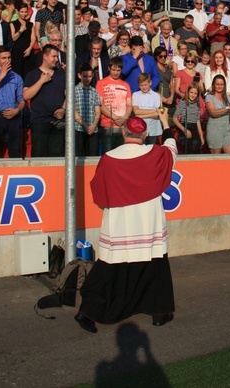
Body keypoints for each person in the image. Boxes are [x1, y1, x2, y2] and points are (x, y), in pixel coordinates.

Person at [75, 111, 177, 333]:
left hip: (120, 221)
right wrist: (165, 122)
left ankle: (88, 312)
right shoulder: (156, 153)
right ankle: (159, 313)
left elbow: (99, 194)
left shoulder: (109, 159)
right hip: (149, 220)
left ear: (123, 132)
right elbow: (172, 147)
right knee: (155, 264)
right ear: (146, 134)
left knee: (110, 267)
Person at [23, 44, 66, 157]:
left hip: (58, 122)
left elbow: (69, 95)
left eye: (57, 57)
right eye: (54, 56)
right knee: (39, 153)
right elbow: (26, 95)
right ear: (45, 56)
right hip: (40, 121)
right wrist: (41, 81)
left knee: (57, 154)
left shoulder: (61, 75)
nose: (56, 59)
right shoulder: (32, 75)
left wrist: (63, 108)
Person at [96, 57, 132, 153]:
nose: (116, 72)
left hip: (122, 126)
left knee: (121, 155)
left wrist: (124, 117)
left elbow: (129, 105)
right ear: (109, 68)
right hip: (108, 125)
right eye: (113, 70)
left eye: (118, 70)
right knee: (108, 154)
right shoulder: (101, 83)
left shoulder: (126, 85)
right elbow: (100, 104)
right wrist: (115, 117)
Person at [204, 74, 230, 154]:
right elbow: (213, 113)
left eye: (221, 84)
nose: (219, 86)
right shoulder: (209, 97)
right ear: (214, 85)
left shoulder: (228, 97)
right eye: (217, 84)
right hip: (215, 130)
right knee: (216, 159)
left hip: (226, 130)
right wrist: (228, 108)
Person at [74, 63, 101, 157]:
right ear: (79, 75)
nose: (87, 79)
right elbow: (73, 111)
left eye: (90, 76)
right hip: (79, 129)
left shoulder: (94, 91)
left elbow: (97, 111)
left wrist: (93, 125)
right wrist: (85, 125)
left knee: (93, 156)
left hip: (93, 130)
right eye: (85, 76)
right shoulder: (74, 90)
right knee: (79, 155)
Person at [132, 73, 163, 145]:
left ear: (150, 83)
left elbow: (158, 113)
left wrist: (140, 116)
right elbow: (136, 111)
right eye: (141, 85)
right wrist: (153, 110)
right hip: (140, 130)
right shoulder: (136, 95)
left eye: (145, 85)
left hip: (153, 129)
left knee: (152, 151)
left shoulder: (156, 96)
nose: (143, 87)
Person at [173, 84, 204, 154]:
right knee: (186, 149)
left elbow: (197, 120)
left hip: (194, 129)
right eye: (191, 92)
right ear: (188, 92)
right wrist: (184, 130)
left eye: (195, 93)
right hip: (185, 127)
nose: (193, 95)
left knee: (196, 147)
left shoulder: (197, 104)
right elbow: (174, 118)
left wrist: (201, 136)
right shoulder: (183, 102)